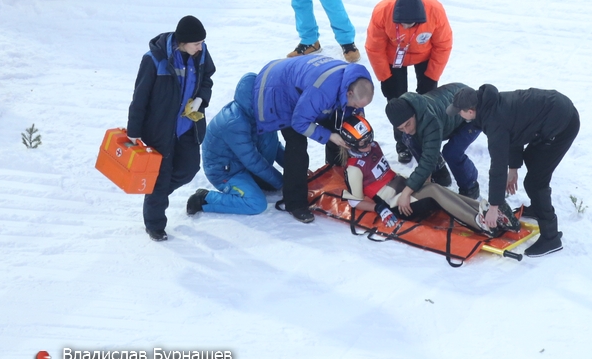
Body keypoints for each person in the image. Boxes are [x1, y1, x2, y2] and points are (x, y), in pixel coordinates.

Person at [446, 85, 580, 257]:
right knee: (531, 158)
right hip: (554, 111)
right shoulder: (491, 105)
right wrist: (514, 168)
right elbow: (514, 131)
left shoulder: (494, 122)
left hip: (563, 125)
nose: (459, 115)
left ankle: (551, 237)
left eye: (460, 112)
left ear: (471, 111)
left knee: (535, 182)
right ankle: (538, 208)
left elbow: (497, 165)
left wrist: (494, 206)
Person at [252, 54, 373, 223]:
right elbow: (299, 122)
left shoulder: (352, 82)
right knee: (297, 146)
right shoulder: (322, 92)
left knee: (340, 126)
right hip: (278, 90)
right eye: (356, 106)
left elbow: (347, 112)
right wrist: (330, 136)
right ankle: (294, 203)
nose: (357, 110)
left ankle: (335, 173)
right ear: (350, 92)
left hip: (303, 87)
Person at [127, 16, 215, 241]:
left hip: (187, 125)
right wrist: (133, 130)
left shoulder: (201, 55)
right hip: (160, 129)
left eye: (202, 42)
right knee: (161, 175)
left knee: (189, 168)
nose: (201, 47)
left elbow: (207, 79)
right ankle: (155, 224)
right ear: (183, 42)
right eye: (197, 43)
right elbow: (140, 97)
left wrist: (201, 99)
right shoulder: (154, 60)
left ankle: (156, 195)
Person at [337, 115, 501, 236]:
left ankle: (481, 209)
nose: (368, 145)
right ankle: (478, 222)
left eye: (369, 138)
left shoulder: (373, 147)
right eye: (362, 143)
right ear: (351, 144)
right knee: (434, 191)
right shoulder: (353, 169)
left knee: (433, 187)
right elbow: (354, 201)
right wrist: (379, 208)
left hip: (404, 189)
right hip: (396, 204)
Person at [365, 0, 453, 162]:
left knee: (427, 99)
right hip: (394, 55)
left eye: (410, 24)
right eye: (402, 24)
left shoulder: (435, 11)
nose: (406, 27)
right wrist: (385, 77)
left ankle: (426, 140)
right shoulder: (381, 12)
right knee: (396, 100)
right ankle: (403, 143)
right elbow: (374, 48)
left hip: (425, 53)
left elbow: (443, 45)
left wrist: (431, 75)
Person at [187, 73, 284, 216]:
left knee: (269, 137)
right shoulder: (234, 122)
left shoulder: (260, 114)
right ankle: (204, 198)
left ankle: (258, 181)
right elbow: (252, 160)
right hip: (226, 171)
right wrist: (282, 183)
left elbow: (274, 145)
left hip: (244, 165)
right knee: (256, 203)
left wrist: (296, 171)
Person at [384, 82, 481, 201]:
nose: (406, 130)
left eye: (408, 124)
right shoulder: (401, 114)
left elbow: (428, 159)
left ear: (414, 114)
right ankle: (440, 174)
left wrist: (408, 190)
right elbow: (405, 136)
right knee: (409, 138)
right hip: (448, 118)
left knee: (452, 152)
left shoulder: (430, 120)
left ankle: (470, 187)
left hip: (470, 113)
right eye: (401, 128)